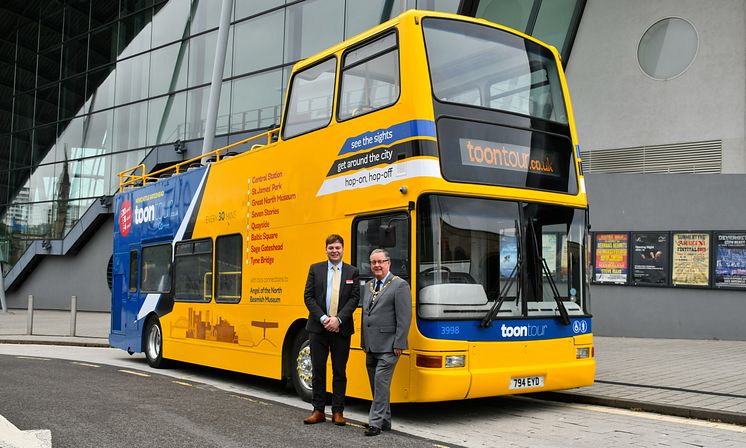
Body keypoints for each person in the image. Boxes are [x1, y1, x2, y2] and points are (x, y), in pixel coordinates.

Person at [302, 234, 360, 426]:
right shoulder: (315, 269)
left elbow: (354, 298)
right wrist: (325, 318)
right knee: (317, 370)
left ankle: (338, 412)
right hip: (318, 328)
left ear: (343, 249)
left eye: (337, 248)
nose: (334, 251)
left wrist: (339, 319)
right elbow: (308, 297)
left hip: (341, 330)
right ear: (326, 250)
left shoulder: (353, 272)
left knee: (339, 371)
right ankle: (318, 410)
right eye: (331, 248)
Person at [360, 248, 412, 436]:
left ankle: (375, 423)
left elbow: (405, 317)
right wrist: (363, 341)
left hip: (390, 346)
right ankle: (385, 420)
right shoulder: (368, 286)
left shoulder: (400, 285)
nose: (377, 265)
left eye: (380, 262)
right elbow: (365, 315)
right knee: (377, 385)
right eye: (373, 262)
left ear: (388, 263)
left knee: (381, 383)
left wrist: (399, 343)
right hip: (371, 345)